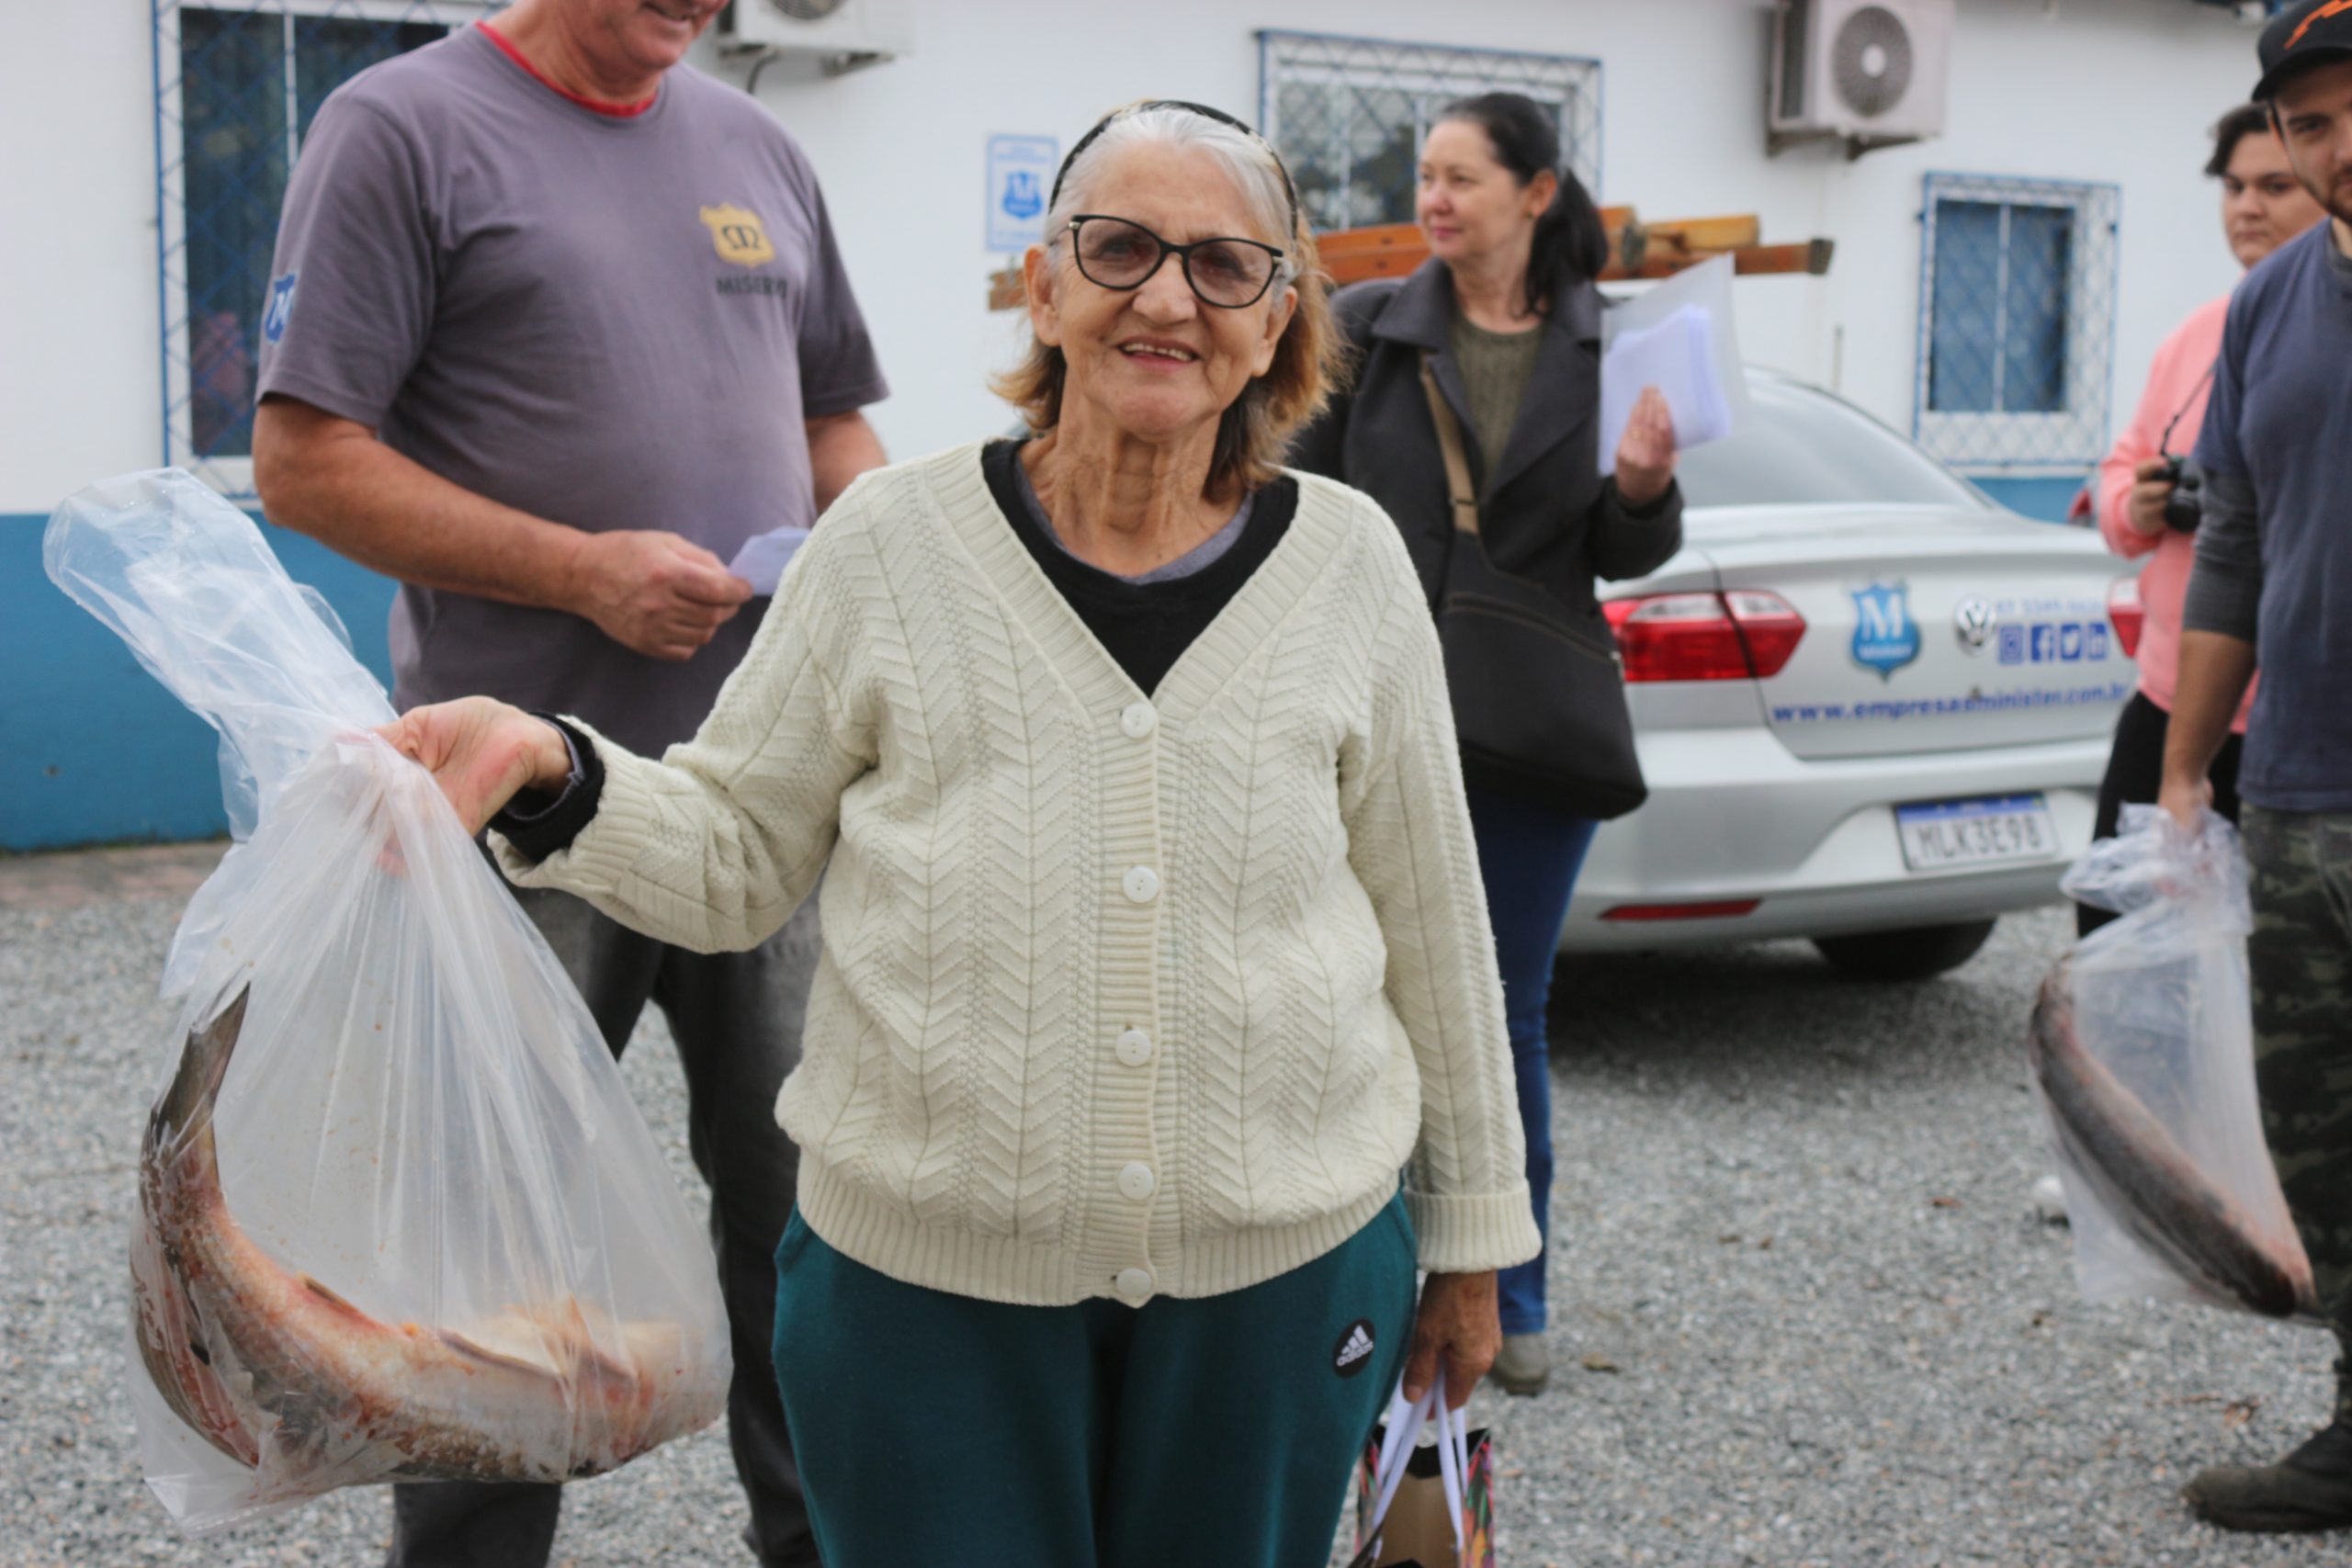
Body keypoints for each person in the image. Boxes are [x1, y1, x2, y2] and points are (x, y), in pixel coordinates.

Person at [373, 100, 1543, 1568]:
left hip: (1280, 1278)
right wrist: (552, 767)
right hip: (920, 1297)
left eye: (1226, 266)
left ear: (1277, 319)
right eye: (1118, 248)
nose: (1167, 297)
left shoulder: (1351, 565)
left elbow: (1435, 915)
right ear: (1044, 288)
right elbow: (738, 851)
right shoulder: (886, 542)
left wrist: (1475, 1236)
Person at [249, 2, 888, 1563]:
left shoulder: (760, 147)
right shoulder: (402, 129)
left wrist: (878, 567)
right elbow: (304, 455)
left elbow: (839, 432)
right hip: (508, 813)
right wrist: (578, 573)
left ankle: (824, 1545)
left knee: (813, 1222)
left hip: (763, 798)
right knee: (493, 1255)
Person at [1289, 91, 1681, 1397]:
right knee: (1343, 993)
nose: (1436, 200)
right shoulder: (1365, 327)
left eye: (1463, 177)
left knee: (1501, 1014)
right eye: (1427, 177)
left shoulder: (1611, 344)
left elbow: (1623, 552)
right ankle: (1350, 1271)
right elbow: (1300, 504)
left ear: (1538, 193)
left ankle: (1508, 1286)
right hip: (1367, 708)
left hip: (1527, 733)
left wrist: (1639, 487)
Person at [2158, 0, 2352, 1534]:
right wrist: (2184, 772)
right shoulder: (2271, 303)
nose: (2337, 146)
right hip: (2298, 787)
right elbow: (2230, 540)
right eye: (2310, 122)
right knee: (2322, 1133)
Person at [2075, 103, 2324, 938]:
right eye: (2234, 186)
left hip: (2287, 718)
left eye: (2275, 186)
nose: (2247, 207)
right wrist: (2137, 506)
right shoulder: (2201, 333)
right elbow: (2118, 470)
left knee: (2266, 965)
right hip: (2169, 696)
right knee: (2117, 931)